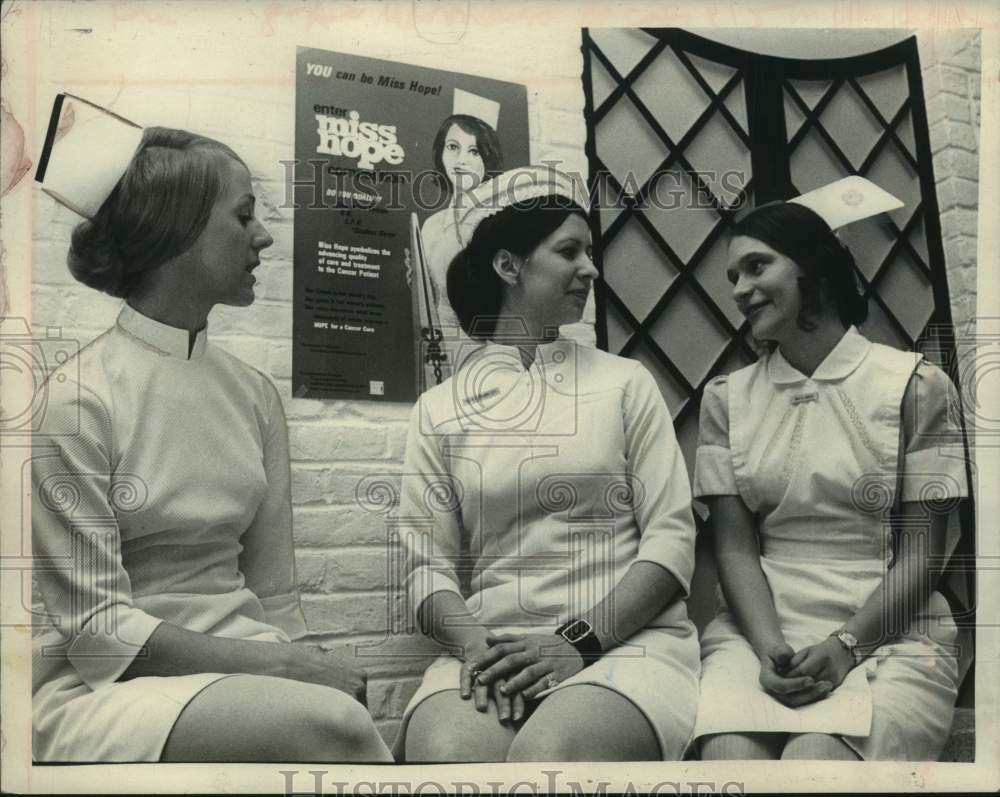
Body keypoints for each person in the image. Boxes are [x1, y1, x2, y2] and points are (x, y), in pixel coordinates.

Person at [31, 97, 392, 763]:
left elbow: (276, 593)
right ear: (177, 229)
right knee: (333, 727)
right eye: (243, 215)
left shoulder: (252, 396)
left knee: (339, 715)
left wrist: (302, 661)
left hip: (242, 671)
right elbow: (99, 632)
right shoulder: (75, 401)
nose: (264, 237)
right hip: (103, 690)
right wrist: (290, 674)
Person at [394, 166, 700, 762]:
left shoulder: (624, 383)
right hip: (493, 647)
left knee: (550, 755)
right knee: (448, 757)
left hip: (623, 646)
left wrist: (574, 642)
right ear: (509, 267)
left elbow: (670, 540)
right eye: (569, 251)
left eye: (589, 252)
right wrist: (479, 646)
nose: (589, 268)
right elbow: (425, 570)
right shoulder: (439, 410)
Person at [692, 184, 968, 761]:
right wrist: (772, 649)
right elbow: (736, 551)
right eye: (733, 278)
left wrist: (846, 645)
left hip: (891, 626)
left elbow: (925, 552)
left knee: (815, 759)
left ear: (812, 266)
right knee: (729, 759)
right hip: (760, 625)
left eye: (756, 266)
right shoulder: (726, 399)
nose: (740, 290)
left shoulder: (914, 387)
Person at [411, 114, 504, 385]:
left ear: (487, 159)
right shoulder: (430, 226)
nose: (461, 160)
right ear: (441, 153)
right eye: (453, 147)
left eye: (474, 151)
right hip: (436, 354)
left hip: (485, 354)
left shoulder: (497, 221)